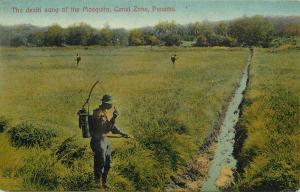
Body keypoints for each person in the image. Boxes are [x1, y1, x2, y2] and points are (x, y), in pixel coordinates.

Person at [89, 94, 129, 188]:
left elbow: (112, 127)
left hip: (105, 140)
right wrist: (114, 118)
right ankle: (97, 186)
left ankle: (104, 183)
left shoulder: (105, 112)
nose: (112, 105)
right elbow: (105, 128)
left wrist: (122, 133)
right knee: (100, 163)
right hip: (98, 141)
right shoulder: (98, 113)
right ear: (105, 103)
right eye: (110, 103)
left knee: (108, 163)